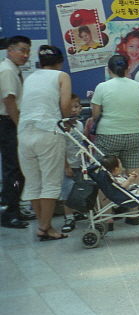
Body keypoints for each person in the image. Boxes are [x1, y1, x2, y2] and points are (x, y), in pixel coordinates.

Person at [17, 45, 72, 241]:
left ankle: (46, 228)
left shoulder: (30, 77)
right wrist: (68, 123)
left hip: (24, 133)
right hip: (48, 131)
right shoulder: (61, 76)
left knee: (33, 183)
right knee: (50, 182)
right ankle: (44, 228)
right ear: (60, 62)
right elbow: (65, 106)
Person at [91, 55, 139, 189]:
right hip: (133, 134)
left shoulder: (102, 87)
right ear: (128, 69)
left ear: (109, 70)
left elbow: (95, 116)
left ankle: (107, 210)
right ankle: (137, 208)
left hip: (108, 136)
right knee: (135, 172)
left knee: (105, 174)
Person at [1, 35, 34, 229]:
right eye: (21, 50)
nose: (25, 54)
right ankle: (9, 213)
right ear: (9, 50)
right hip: (7, 122)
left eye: (28, 50)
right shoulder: (6, 70)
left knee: (17, 170)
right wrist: (19, 126)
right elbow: (9, 101)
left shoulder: (12, 69)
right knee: (13, 170)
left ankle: (14, 208)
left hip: (9, 122)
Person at [59, 94, 84, 233]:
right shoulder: (63, 126)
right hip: (68, 166)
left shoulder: (80, 124)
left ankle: (76, 212)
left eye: (76, 107)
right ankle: (68, 218)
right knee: (67, 192)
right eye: (70, 107)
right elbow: (61, 148)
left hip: (79, 164)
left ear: (80, 108)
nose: (73, 110)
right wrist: (66, 166)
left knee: (78, 190)